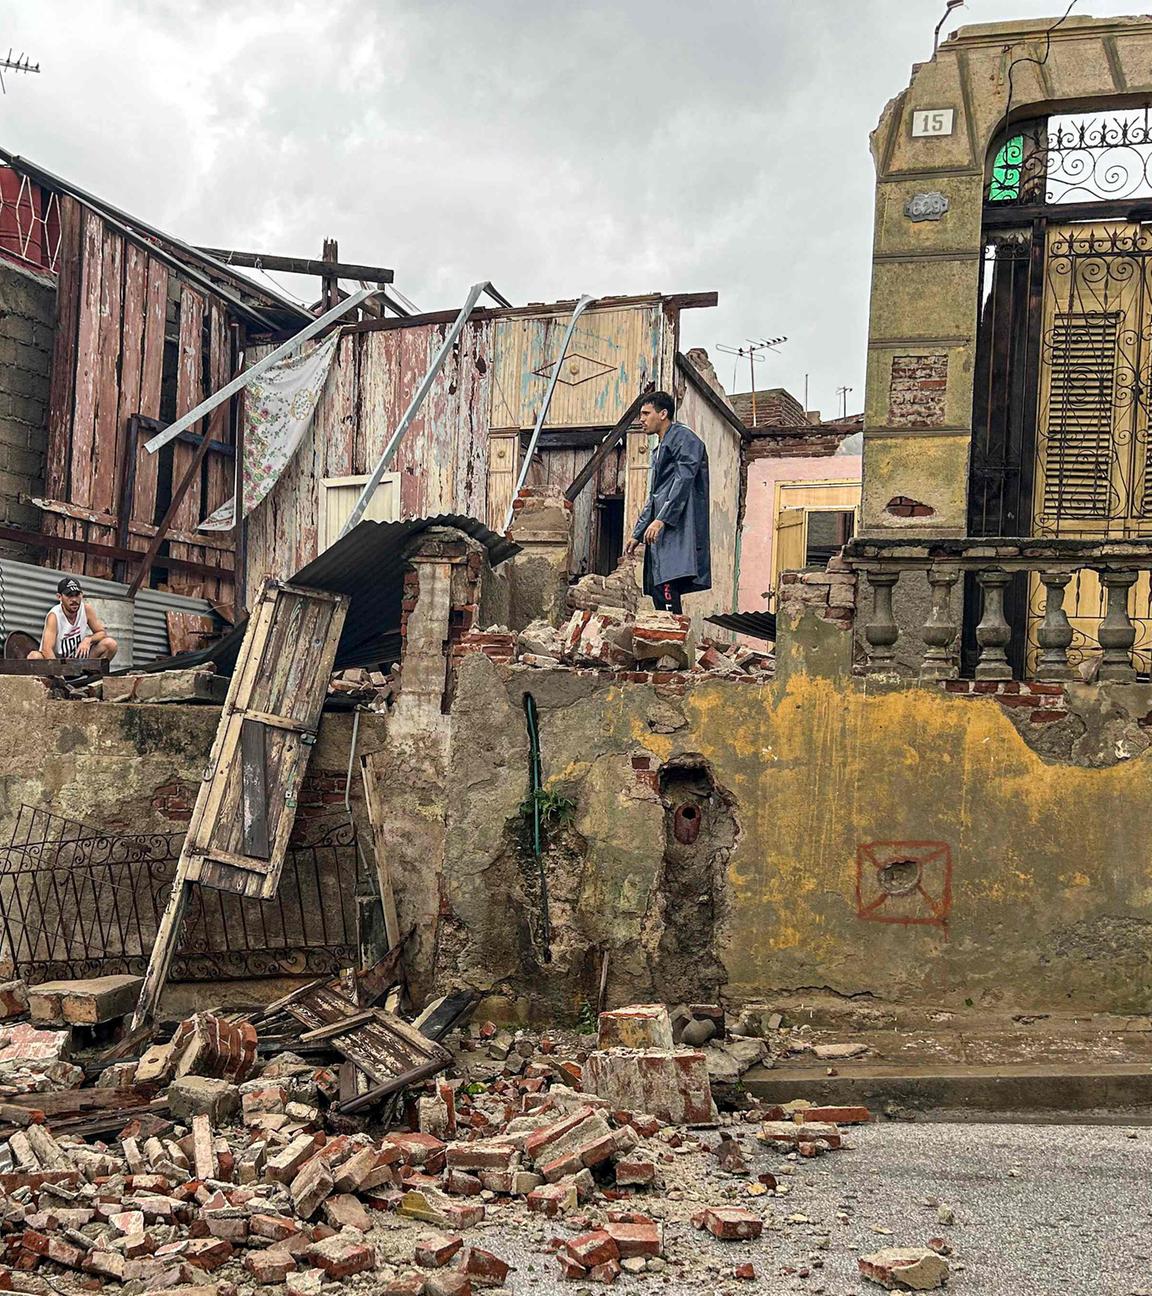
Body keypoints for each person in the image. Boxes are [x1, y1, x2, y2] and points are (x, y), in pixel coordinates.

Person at [624, 391, 711, 614]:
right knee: (657, 586)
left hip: (678, 525)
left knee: (668, 583)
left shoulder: (684, 438)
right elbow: (654, 494)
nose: (641, 419)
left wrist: (661, 520)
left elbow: (684, 480)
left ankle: (674, 640)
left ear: (663, 414)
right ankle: (664, 639)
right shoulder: (660, 447)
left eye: (646, 413)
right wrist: (638, 532)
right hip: (661, 527)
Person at [28, 577, 118, 663]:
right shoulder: (54, 616)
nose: (74, 599)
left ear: (82, 595)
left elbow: (102, 633)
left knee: (110, 644)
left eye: (77, 595)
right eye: (69, 596)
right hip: (57, 662)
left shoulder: (86, 609)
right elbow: (46, 649)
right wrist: (58, 672)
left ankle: (91, 675)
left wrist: (88, 640)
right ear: (59, 597)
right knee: (34, 656)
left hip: (78, 660)